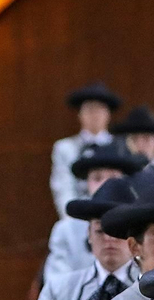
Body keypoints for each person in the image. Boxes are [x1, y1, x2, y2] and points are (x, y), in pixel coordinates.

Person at [42, 138, 146, 288]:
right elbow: (55, 284)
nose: (104, 183)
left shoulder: (142, 222)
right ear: (87, 183)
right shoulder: (66, 230)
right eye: (97, 178)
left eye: (112, 177)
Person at [49, 80, 120, 215]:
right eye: (89, 109)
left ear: (108, 114)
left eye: (100, 109)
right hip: (78, 215)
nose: (95, 115)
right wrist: (71, 219)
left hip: (114, 217)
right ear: (80, 115)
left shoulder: (121, 147)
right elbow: (63, 187)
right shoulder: (65, 148)